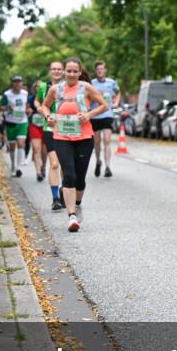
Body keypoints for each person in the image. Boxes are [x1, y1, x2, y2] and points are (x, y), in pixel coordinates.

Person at [39, 58, 108, 232]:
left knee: (80, 178)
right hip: (62, 137)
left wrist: (89, 114)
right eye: (68, 71)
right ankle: (71, 216)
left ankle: (77, 204)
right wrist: (49, 117)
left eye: (74, 71)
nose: (71, 74)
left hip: (84, 137)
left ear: (79, 72)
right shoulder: (56, 89)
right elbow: (45, 106)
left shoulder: (86, 88)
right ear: (64, 72)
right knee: (68, 174)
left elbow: (104, 105)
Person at [37, 61, 65, 210]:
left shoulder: (70, 87)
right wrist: (41, 109)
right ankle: (55, 199)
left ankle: (63, 190)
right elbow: (38, 101)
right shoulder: (43, 87)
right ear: (50, 71)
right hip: (49, 129)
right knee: (54, 163)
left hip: (66, 129)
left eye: (59, 69)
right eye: (54, 69)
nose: (56, 71)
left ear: (63, 71)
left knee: (65, 165)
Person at [90, 61, 120, 178]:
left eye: (102, 69)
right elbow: (87, 97)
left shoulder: (111, 82)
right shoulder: (91, 83)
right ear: (95, 71)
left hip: (107, 114)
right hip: (95, 115)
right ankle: (98, 161)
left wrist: (116, 102)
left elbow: (118, 93)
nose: (100, 71)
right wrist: (96, 96)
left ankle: (107, 167)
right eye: (98, 69)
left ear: (105, 70)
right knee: (97, 141)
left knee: (107, 140)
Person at [0, 76, 30, 177]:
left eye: (19, 82)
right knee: (12, 146)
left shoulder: (25, 93)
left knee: (21, 143)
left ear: (22, 83)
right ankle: (13, 165)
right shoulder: (7, 95)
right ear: (12, 84)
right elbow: (0, 108)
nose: (17, 84)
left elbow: (27, 104)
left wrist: (28, 110)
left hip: (22, 122)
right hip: (10, 122)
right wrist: (7, 107)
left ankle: (18, 168)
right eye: (15, 82)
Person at [27, 81, 47, 182]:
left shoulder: (48, 96)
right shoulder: (31, 98)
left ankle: (43, 167)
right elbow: (27, 108)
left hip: (46, 125)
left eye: (40, 87)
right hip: (34, 125)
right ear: (34, 88)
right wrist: (29, 110)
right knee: (36, 148)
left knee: (44, 151)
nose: (38, 88)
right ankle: (38, 172)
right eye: (37, 87)